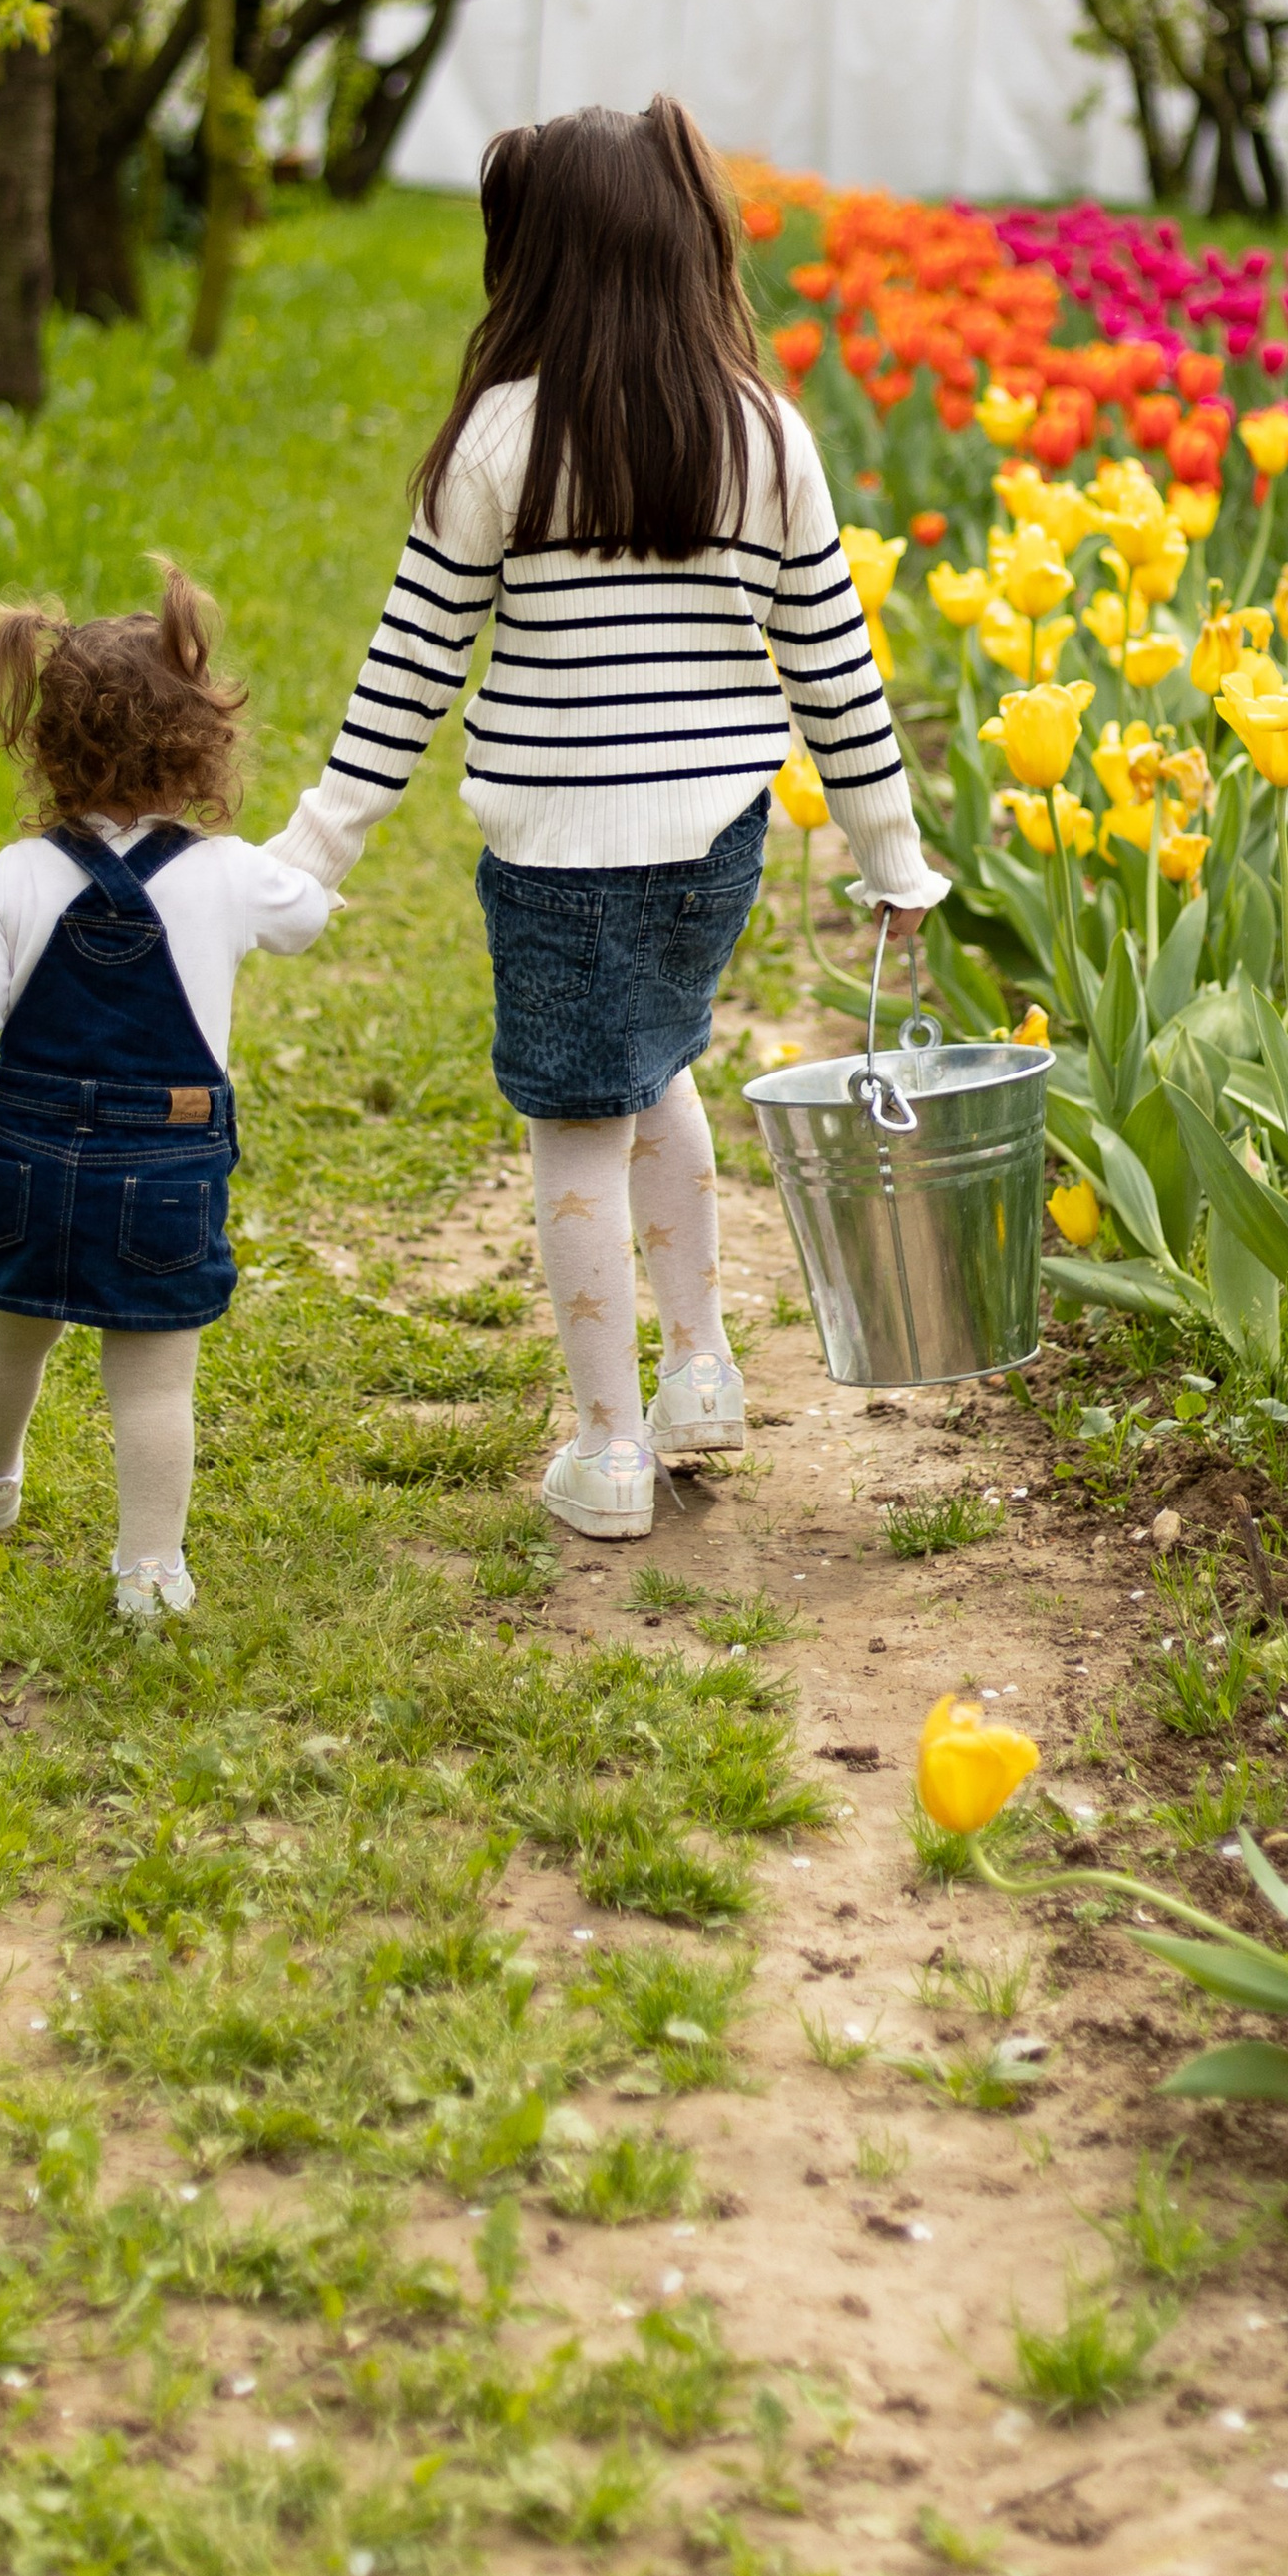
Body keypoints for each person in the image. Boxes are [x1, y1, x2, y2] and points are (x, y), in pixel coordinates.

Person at [267, 98, 942, 1544]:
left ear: (540, 263)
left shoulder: (501, 440)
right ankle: (697, 1369)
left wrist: (317, 847)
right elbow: (835, 664)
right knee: (660, 1067)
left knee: (577, 1127)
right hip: (715, 848)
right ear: (692, 246)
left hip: (561, 856)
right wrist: (893, 855)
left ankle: (609, 1444)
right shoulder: (766, 432)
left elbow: (412, 665)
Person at [0, 565, 330, 1618]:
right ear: (201, 745)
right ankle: (148, 1572)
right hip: (168, 1162)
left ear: (48, 748)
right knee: (151, 1380)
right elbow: (307, 914)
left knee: (11, 1328)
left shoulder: (16, 876)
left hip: (29, 1154)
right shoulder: (228, 872)